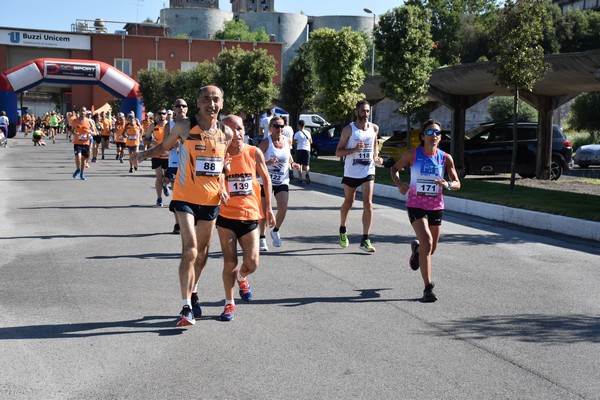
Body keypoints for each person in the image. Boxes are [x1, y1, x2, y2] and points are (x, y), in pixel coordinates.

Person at [136, 86, 233, 327]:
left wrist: (222, 183)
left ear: (222, 103)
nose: (211, 104)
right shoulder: (184, 127)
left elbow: (220, 164)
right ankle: (186, 306)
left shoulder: (226, 133)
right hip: (184, 197)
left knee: (202, 254)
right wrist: (142, 155)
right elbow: (163, 148)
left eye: (216, 100)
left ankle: (194, 291)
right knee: (190, 250)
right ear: (198, 103)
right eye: (206, 100)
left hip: (210, 200)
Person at [390, 119, 461, 302]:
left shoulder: (445, 158)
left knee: (431, 248)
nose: (434, 136)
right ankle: (428, 288)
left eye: (437, 133)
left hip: (436, 206)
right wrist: (399, 184)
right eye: (430, 132)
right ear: (423, 136)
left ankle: (416, 251)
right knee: (428, 242)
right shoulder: (412, 155)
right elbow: (394, 169)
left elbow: (457, 183)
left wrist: (448, 184)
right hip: (416, 204)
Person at [217, 114, 275, 321]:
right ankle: (229, 303)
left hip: (250, 215)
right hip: (226, 216)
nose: (237, 134)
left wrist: (268, 208)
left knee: (252, 263)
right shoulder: (220, 155)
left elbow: (266, 180)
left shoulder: (254, 152)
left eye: (240, 128)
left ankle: (242, 277)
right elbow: (209, 181)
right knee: (229, 261)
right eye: (232, 130)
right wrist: (221, 180)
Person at [335, 99, 383, 253]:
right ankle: (343, 229)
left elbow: (375, 144)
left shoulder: (374, 128)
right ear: (356, 112)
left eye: (368, 111)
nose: (366, 114)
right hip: (351, 172)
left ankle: (365, 239)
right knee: (349, 201)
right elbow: (338, 152)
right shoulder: (348, 130)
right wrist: (354, 149)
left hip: (368, 170)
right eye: (363, 111)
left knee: (368, 202)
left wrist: (376, 156)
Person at [257, 116, 301, 251]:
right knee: (264, 211)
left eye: (282, 126)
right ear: (270, 128)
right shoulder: (266, 143)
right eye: (276, 126)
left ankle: (275, 230)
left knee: (283, 208)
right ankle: (262, 237)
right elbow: (254, 161)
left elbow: (288, 155)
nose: (279, 129)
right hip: (266, 180)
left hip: (282, 179)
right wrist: (268, 163)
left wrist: (293, 164)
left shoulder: (287, 141)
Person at [144, 107, 169, 207]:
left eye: (163, 113)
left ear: (166, 115)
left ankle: (165, 185)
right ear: (156, 115)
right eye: (160, 113)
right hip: (156, 154)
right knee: (159, 177)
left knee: (167, 177)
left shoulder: (170, 125)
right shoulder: (152, 126)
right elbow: (146, 139)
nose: (162, 115)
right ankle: (159, 198)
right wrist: (150, 142)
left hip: (168, 155)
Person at [71, 107, 97, 181]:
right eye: (81, 111)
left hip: (86, 143)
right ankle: (78, 169)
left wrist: (90, 132)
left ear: (86, 112)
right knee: (78, 156)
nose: (83, 112)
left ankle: (82, 173)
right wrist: (74, 133)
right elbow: (72, 130)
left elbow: (95, 133)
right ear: (79, 112)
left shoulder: (89, 121)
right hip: (77, 142)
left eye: (84, 111)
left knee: (83, 160)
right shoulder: (75, 121)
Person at [293, 119, 313, 184]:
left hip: (299, 149)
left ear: (299, 126)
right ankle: (307, 174)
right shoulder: (308, 133)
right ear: (304, 125)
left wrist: (298, 143)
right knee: (306, 164)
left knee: (299, 164)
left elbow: (294, 142)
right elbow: (311, 142)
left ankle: (300, 178)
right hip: (307, 149)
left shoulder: (297, 134)